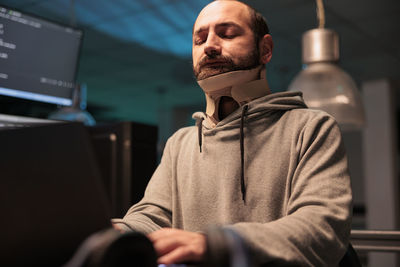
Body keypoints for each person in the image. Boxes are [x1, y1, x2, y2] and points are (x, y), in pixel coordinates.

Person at [112, 0, 352, 265]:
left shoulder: (311, 129)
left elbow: (323, 228)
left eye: (227, 34)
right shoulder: (180, 143)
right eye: (199, 39)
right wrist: (119, 234)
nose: (210, 46)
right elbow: (152, 216)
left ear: (266, 49)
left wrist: (216, 245)